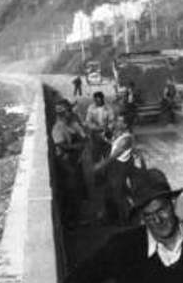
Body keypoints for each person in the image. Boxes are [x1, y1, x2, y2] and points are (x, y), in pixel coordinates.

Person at [94, 113, 137, 225]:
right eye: (117, 120)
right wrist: (105, 139)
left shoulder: (126, 139)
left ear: (126, 124)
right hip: (116, 167)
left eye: (120, 121)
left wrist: (99, 165)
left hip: (119, 168)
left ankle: (124, 220)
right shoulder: (121, 135)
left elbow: (114, 156)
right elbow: (114, 145)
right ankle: (116, 216)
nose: (117, 123)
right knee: (114, 192)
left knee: (118, 195)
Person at [51, 99, 86, 227]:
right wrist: (77, 146)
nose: (70, 113)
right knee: (71, 193)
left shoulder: (67, 124)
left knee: (75, 191)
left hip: (71, 162)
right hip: (66, 164)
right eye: (68, 111)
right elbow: (61, 145)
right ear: (63, 113)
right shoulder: (58, 127)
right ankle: (71, 222)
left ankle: (75, 220)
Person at [85, 91, 115, 163]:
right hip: (95, 133)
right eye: (96, 100)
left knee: (107, 152)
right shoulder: (91, 108)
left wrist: (108, 128)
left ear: (102, 99)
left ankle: (108, 167)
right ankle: (97, 168)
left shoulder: (108, 108)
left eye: (99, 100)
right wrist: (96, 128)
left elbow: (112, 120)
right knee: (95, 153)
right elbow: (88, 121)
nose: (98, 102)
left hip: (106, 132)